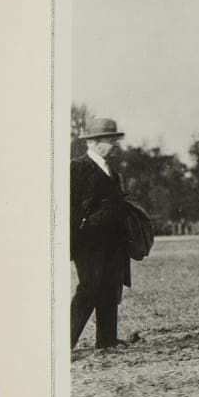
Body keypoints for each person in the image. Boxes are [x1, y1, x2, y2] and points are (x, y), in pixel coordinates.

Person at [70, 117, 134, 349]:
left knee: (109, 287)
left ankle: (106, 341)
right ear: (95, 142)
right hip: (88, 243)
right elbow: (71, 208)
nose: (116, 144)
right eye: (111, 140)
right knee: (89, 289)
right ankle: (64, 343)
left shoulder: (113, 173)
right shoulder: (76, 168)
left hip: (113, 243)